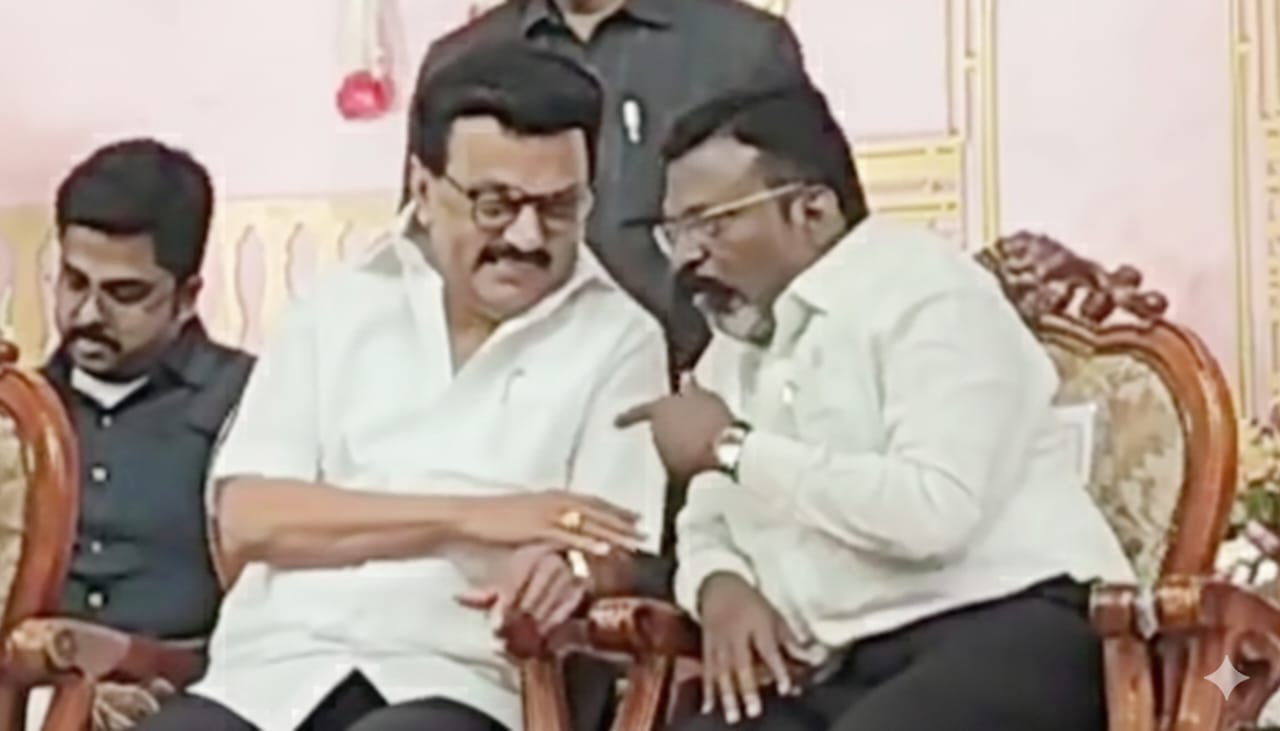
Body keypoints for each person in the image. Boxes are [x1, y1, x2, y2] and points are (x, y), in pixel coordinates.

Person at [134, 42, 668, 731]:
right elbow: (250, 518)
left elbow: (611, 546)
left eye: (560, 207)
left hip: (460, 681)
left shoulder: (621, 338)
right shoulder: (338, 304)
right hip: (271, 678)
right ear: (423, 186)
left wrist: (567, 572)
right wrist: (474, 517)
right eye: (496, 205)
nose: (528, 237)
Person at [617, 84, 1136, 730]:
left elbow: (934, 510)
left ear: (812, 210)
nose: (687, 255)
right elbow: (708, 519)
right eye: (674, 231)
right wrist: (719, 586)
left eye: (711, 224)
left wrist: (733, 447)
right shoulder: (733, 346)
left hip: (1011, 626)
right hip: (841, 664)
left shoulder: (927, 293)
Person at [410, 0, 812, 374]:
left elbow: (806, 250)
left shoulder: (742, 50)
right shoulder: (464, 56)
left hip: (701, 389)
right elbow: (423, 245)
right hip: (512, 394)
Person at [25, 139, 254, 726]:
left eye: (123, 293)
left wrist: (134, 668)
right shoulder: (21, 413)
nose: (87, 314)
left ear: (187, 297)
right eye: (74, 282)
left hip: (197, 702)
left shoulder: (253, 403)